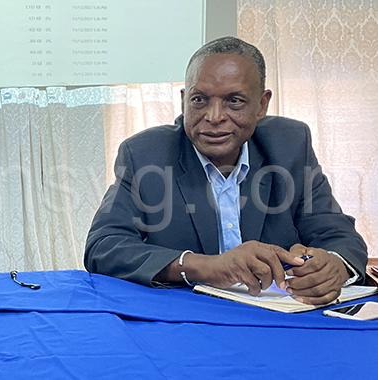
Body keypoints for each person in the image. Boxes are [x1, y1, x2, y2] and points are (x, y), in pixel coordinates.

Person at [84, 37, 367, 305]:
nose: (214, 116)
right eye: (200, 100)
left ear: (261, 105)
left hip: (275, 318)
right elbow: (104, 247)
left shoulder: (290, 145)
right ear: (184, 100)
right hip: (186, 319)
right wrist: (206, 266)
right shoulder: (146, 154)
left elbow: (339, 236)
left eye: (234, 101)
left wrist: (334, 265)